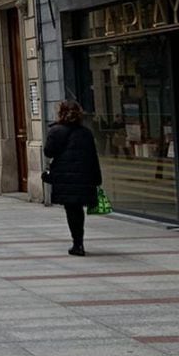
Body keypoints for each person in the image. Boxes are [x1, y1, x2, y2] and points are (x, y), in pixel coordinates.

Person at [44, 100, 102, 256]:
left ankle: (77, 244)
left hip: (65, 177)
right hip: (83, 176)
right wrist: (97, 179)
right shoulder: (86, 132)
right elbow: (93, 157)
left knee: (71, 209)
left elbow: (48, 152)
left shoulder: (56, 131)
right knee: (77, 210)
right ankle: (79, 242)